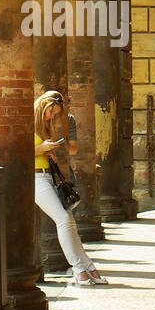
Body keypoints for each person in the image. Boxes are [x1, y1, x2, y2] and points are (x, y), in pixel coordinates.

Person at [34, 90, 106, 286]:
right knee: (63, 219)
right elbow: (18, 152)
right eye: (51, 112)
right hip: (34, 179)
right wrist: (41, 149)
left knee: (70, 222)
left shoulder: (43, 125)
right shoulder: (27, 122)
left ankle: (88, 266)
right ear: (43, 106)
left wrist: (48, 153)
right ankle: (78, 268)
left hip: (47, 174)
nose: (52, 116)